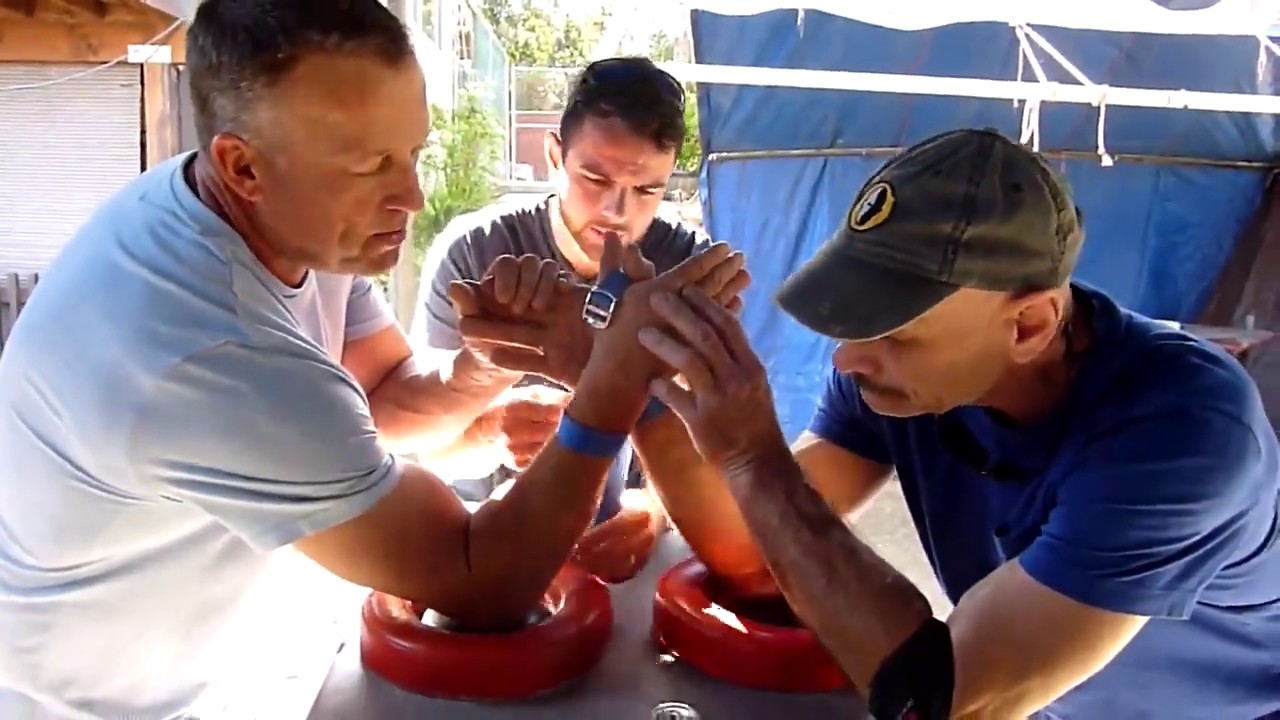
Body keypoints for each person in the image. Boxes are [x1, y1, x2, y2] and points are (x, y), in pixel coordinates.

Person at [0, 2, 746, 717]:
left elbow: (384, 399)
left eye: (412, 152)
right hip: (84, 704)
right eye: (369, 166)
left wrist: (481, 372)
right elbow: (480, 580)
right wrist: (615, 383)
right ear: (243, 166)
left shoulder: (276, 218)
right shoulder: (211, 346)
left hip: (198, 668)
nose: (414, 197)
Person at [537, 128, 1280, 719]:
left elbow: (949, 701)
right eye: (851, 317)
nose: (849, 359)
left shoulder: (1181, 432)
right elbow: (759, 554)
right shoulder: (911, 384)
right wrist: (646, 389)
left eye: (893, 331)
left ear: (1028, 325)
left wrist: (758, 461)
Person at [409, 56, 735, 583]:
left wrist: (652, 509)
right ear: (554, 153)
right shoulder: (474, 253)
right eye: (594, 177)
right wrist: (490, 430)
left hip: (614, 551)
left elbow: (714, 447)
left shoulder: (686, 270)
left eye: (647, 190)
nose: (616, 211)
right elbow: (422, 450)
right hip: (475, 539)